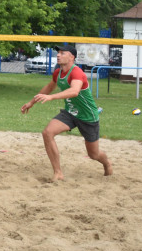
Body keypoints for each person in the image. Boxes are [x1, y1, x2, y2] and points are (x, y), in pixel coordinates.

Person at [21, 43, 113, 181]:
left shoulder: (77, 72)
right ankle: (58, 173)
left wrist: (51, 97)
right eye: (58, 53)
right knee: (47, 133)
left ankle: (107, 163)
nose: (58, 55)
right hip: (70, 112)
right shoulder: (58, 72)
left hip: (87, 116)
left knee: (93, 154)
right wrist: (31, 102)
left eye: (62, 53)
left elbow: (74, 91)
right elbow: (49, 87)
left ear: (72, 57)